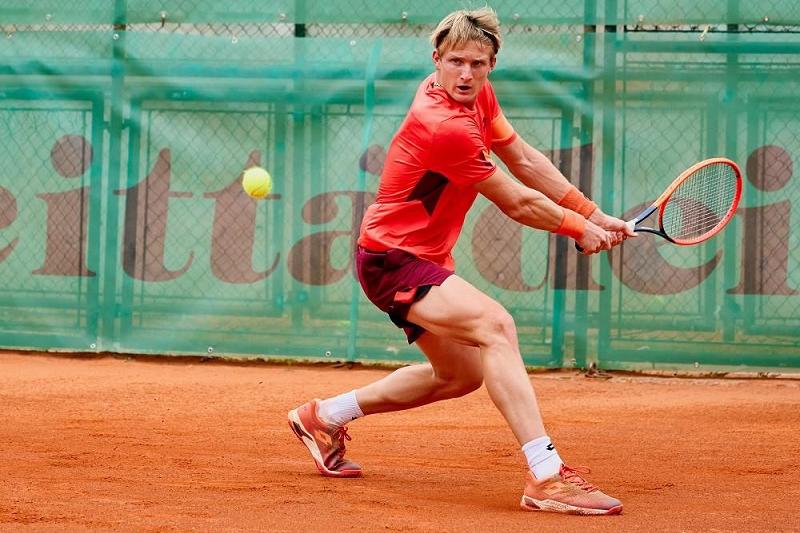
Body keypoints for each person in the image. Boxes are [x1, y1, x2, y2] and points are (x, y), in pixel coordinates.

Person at [288, 7, 633, 516]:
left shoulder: (478, 96)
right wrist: (579, 229)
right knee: (497, 326)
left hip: (420, 256)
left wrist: (592, 213)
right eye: (455, 62)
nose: (466, 74)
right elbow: (516, 201)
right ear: (437, 59)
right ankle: (546, 476)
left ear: (491, 65)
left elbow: (524, 158)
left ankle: (324, 416)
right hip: (392, 258)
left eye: (477, 63)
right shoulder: (443, 123)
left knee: (460, 375)